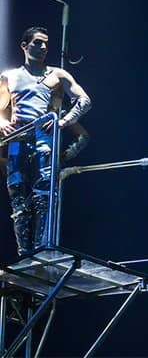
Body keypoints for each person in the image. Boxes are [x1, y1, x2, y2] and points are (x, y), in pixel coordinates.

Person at [0, 26, 92, 254]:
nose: (42, 47)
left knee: (44, 197)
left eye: (45, 44)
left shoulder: (57, 74)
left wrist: (63, 121)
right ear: (25, 45)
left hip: (44, 141)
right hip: (17, 141)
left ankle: (41, 253)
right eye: (37, 43)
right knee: (19, 200)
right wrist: (2, 123)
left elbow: (84, 100)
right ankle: (25, 255)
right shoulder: (10, 76)